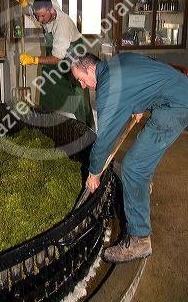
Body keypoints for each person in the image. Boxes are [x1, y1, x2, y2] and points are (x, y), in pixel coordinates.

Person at [71, 52, 188, 263]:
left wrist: (94, 172)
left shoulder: (107, 89)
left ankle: (139, 240)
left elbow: (105, 139)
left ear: (89, 69)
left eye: (80, 79)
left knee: (133, 168)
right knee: (141, 157)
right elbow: (149, 69)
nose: (82, 85)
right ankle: (141, 187)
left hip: (175, 106)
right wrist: (140, 103)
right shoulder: (118, 60)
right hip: (177, 90)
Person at [15, 0, 93, 127]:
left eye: (43, 16)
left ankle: (82, 127)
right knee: (47, 86)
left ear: (51, 10)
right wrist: (24, 3)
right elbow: (32, 14)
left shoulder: (62, 26)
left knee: (76, 94)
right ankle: (49, 121)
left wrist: (33, 60)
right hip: (57, 53)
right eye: (39, 16)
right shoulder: (44, 12)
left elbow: (57, 58)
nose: (40, 20)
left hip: (72, 57)